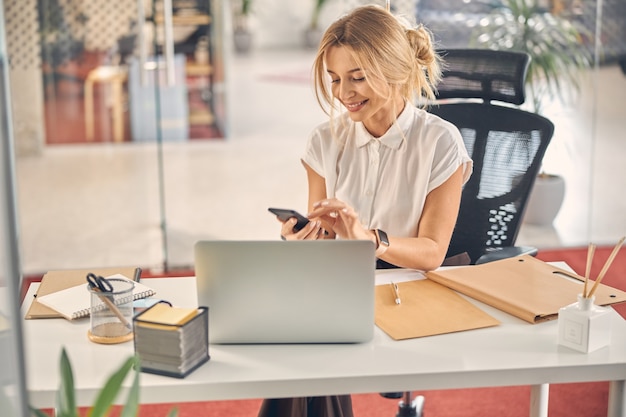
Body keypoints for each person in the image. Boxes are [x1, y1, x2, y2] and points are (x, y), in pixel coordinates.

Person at [261, 4, 472, 417]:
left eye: (357, 78)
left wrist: (367, 239)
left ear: (396, 70)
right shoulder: (324, 141)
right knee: (299, 342)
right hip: (343, 283)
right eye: (336, 79)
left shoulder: (441, 143)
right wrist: (302, 238)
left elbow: (432, 252)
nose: (343, 93)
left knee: (310, 349)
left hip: (409, 286)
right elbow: (323, 235)